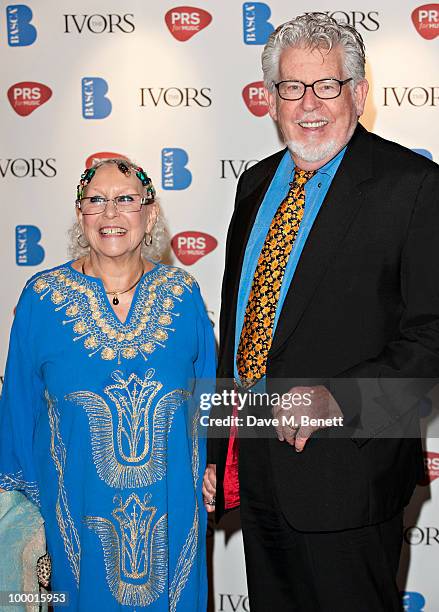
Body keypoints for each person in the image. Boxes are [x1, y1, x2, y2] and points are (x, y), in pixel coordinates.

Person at [203, 12, 439, 612]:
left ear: (358, 94)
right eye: (291, 87)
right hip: (256, 471)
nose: (309, 104)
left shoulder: (412, 185)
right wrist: (217, 451)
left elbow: (432, 337)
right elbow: (244, 329)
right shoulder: (255, 184)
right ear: (270, 99)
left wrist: (339, 397)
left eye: (326, 85)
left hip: (349, 480)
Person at [0, 158, 216, 611]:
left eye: (125, 200)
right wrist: (23, 516)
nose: (110, 213)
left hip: (172, 516)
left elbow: (207, 400)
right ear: (81, 214)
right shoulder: (42, 297)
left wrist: (215, 469)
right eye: (96, 200)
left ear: (150, 214)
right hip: (70, 519)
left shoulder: (183, 293)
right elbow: (17, 410)